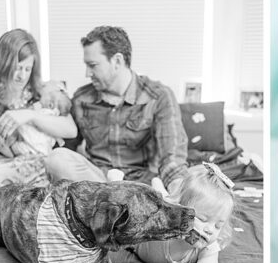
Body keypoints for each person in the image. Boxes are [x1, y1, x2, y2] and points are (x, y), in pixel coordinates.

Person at [43, 26, 188, 189]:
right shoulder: (81, 98)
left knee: (188, 182)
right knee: (56, 158)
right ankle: (113, 197)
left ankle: (126, 199)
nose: (87, 73)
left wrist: (178, 188)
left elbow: (172, 158)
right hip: (96, 181)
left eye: (93, 65)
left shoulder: (159, 97)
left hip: (140, 185)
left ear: (117, 61)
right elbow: (66, 147)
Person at [0, 29, 77, 163]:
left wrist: (30, 115)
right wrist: (16, 162)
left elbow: (71, 130)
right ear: (3, 64)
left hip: (33, 175)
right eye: (17, 68)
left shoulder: (41, 93)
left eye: (28, 69)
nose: (22, 76)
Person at [124, 163, 238, 263]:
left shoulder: (208, 247)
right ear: (179, 210)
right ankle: (154, 186)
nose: (210, 230)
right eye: (202, 219)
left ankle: (160, 187)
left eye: (218, 226)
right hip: (141, 244)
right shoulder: (164, 222)